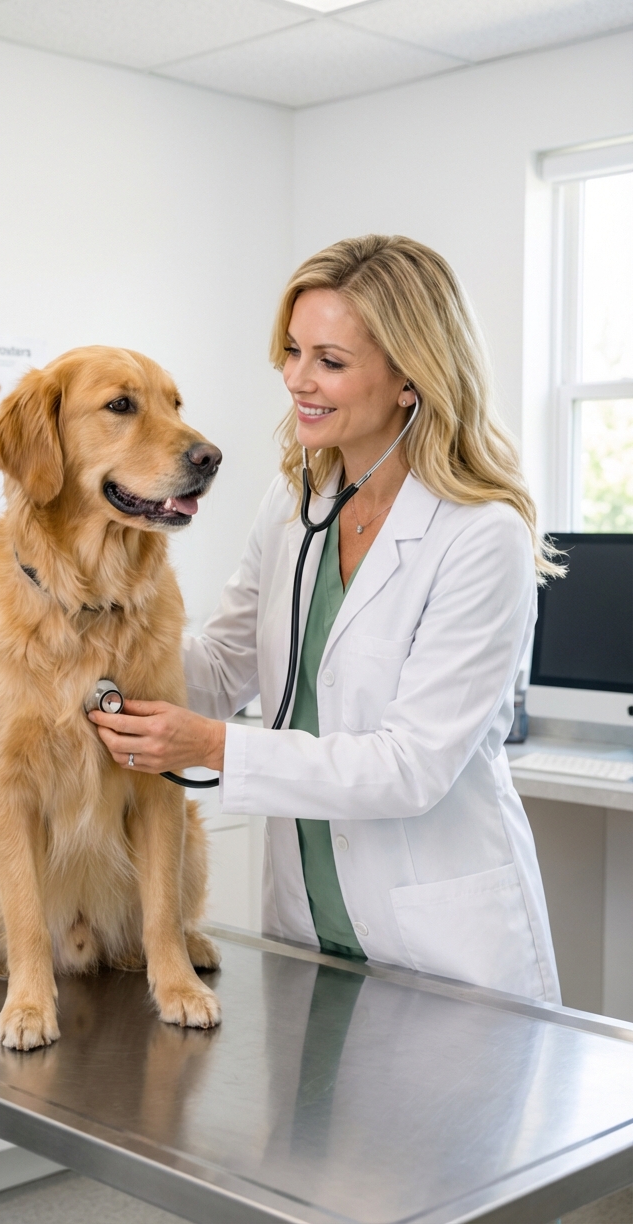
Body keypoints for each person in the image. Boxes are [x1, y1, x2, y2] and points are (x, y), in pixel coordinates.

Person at [90, 234, 561, 1003]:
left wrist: (213, 745)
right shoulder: (295, 504)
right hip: (310, 932)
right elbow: (216, 666)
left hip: (445, 947)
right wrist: (92, 619)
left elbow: (409, 768)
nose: (297, 381)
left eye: (330, 362)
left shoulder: (482, 534)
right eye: (293, 351)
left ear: (411, 377)